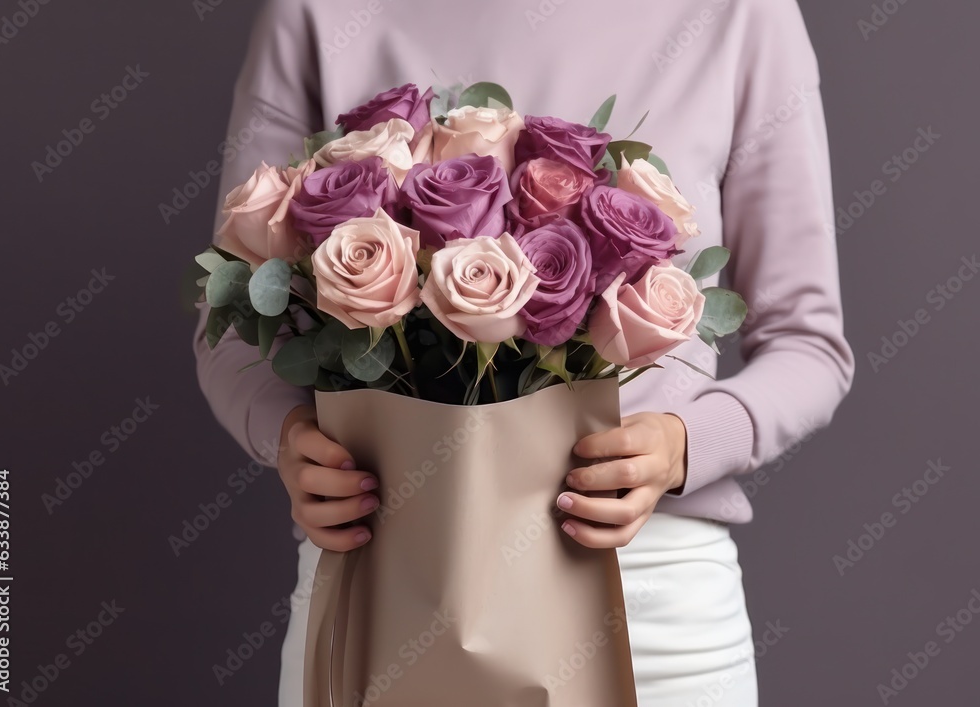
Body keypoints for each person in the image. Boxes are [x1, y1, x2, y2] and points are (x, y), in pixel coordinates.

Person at [193, 0, 855, 704]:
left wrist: (682, 445)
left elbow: (808, 341)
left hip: (650, 602)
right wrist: (291, 440)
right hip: (392, 581)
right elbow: (229, 316)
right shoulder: (317, 12)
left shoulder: (740, 13)